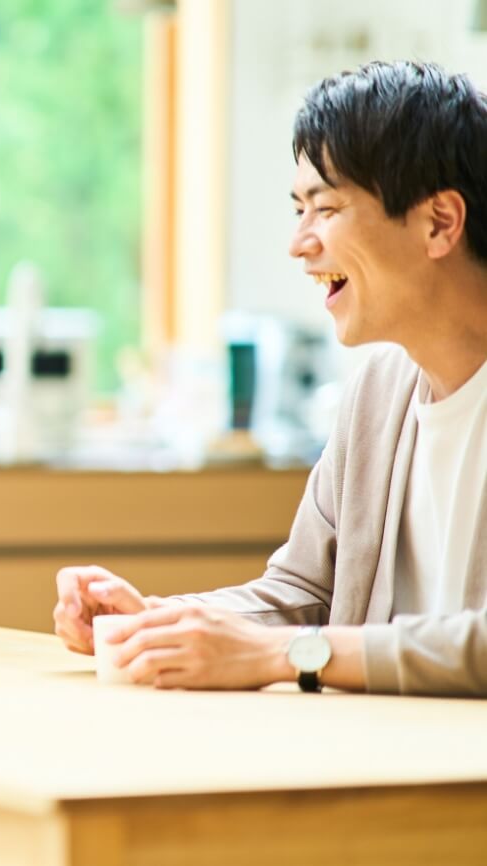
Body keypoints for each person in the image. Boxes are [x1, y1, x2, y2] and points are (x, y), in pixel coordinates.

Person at [54, 60, 487, 696]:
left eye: (325, 208)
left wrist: (290, 654)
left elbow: (294, 641)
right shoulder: (377, 393)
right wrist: (158, 624)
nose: (299, 243)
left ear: (440, 222)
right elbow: (301, 593)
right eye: (298, 210)